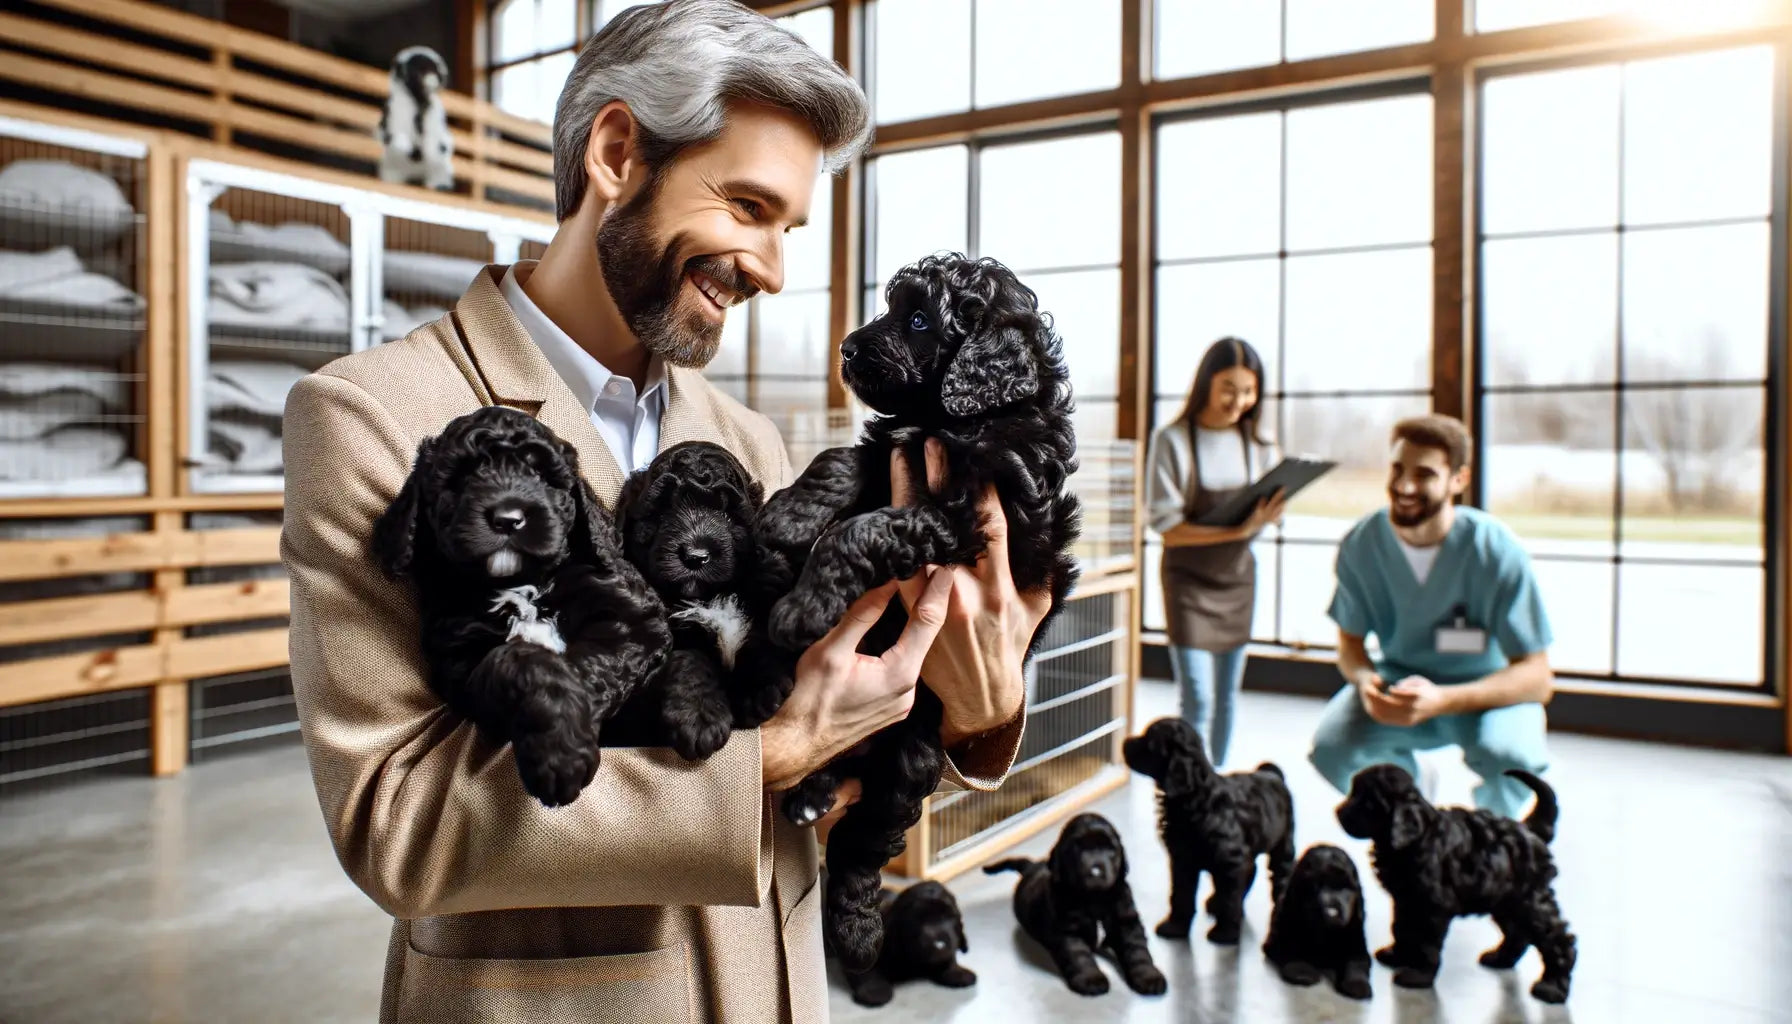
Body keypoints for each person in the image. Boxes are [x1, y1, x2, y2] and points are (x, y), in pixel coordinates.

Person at [278, 3, 1048, 1021]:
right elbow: (399, 822)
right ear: (615, 152)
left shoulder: (749, 440)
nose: (771, 268)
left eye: (787, 230)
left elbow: (825, 715)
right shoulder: (370, 417)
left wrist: (978, 710)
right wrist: (762, 761)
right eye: (746, 207)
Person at [1309, 413, 1554, 819]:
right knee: (1332, 750)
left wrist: (1444, 699)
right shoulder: (1362, 544)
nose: (1404, 486)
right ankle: (1414, 800)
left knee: (1510, 755)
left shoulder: (1495, 551)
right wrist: (1366, 680)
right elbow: (1349, 646)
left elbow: (1537, 677)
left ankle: (1489, 840)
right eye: (1397, 469)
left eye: (1423, 474)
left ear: (1458, 480)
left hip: (1485, 692)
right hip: (1399, 687)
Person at [1146, 337, 1284, 767]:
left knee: (1226, 698)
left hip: (1238, 581)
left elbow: (1258, 525)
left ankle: (1218, 787)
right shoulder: (1172, 441)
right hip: (1188, 583)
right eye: (1229, 387)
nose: (1238, 401)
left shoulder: (1260, 447)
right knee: (1198, 697)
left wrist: (1264, 520)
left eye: (1248, 391)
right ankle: (1193, 791)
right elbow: (1168, 530)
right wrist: (1238, 529)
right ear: (1206, 382)